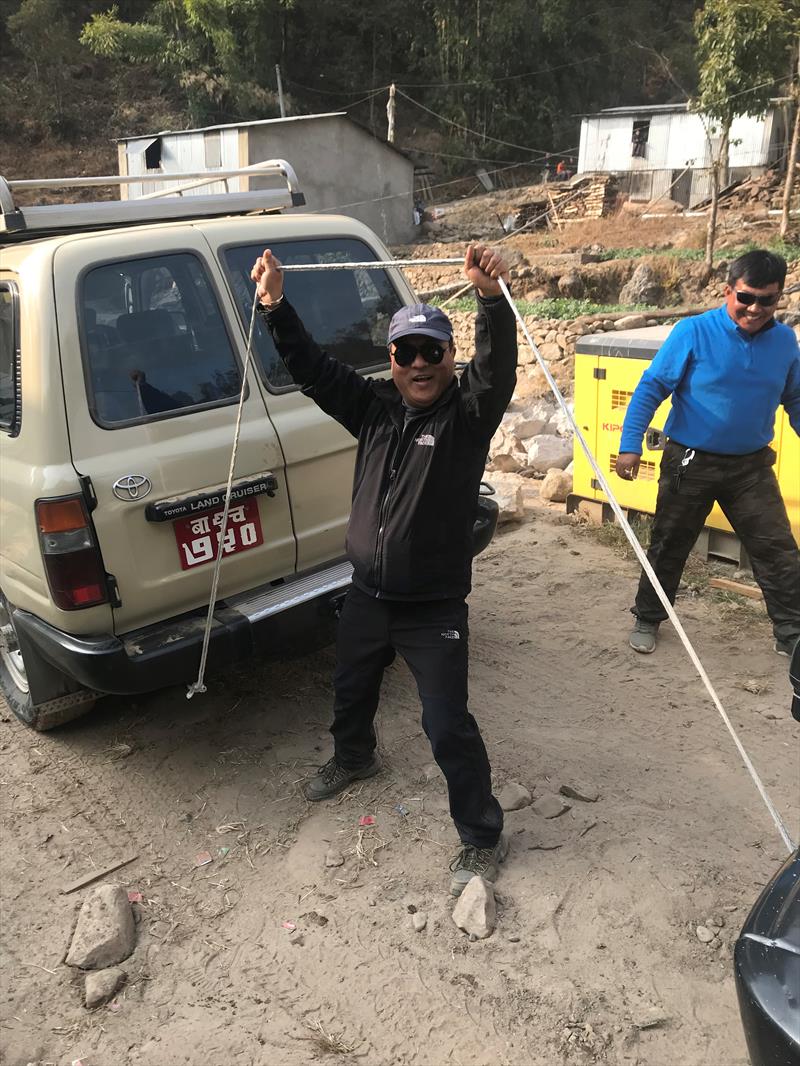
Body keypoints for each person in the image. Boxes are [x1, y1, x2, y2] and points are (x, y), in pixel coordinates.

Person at [251, 245, 517, 896]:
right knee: (350, 689)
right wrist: (274, 306)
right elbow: (311, 369)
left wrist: (490, 298)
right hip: (366, 596)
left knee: (446, 723)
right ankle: (354, 760)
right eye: (408, 353)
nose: (421, 364)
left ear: (449, 357)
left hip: (433, 611)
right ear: (392, 360)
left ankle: (481, 836)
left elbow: (498, 370)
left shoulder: (467, 416)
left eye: (434, 351)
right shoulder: (372, 408)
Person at [616, 249, 800, 657]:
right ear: (727, 291)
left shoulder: (785, 343)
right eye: (746, 297)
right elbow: (651, 388)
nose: (755, 308)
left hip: (751, 468)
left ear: (779, 298)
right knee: (669, 544)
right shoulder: (693, 332)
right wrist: (630, 445)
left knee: (778, 550)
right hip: (690, 464)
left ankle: (792, 636)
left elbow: (796, 398)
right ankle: (648, 616)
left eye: (767, 300)